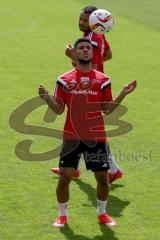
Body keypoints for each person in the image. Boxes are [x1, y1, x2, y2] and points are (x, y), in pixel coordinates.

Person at [39, 38, 137, 227]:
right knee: (65, 177)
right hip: (71, 136)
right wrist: (46, 99)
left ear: (93, 54)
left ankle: (102, 213)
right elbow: (58, 110)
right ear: (75, 54)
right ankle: (62, 215)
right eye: (81, 48)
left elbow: (107, 109)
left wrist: (123, 92)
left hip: (96, 136)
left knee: (102, 177)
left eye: (88, 48)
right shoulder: (64, 79)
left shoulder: (103, 80)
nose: (85, 50)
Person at [52, 6, 123, 183]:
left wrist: (73, 55)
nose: (81, 22)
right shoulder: (98, 36)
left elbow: (94, 67)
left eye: (85, 20)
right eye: (81, 19)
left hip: (91, 89)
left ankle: (113, 170)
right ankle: (75, 168)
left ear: (94, 22)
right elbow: (108, 54)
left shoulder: (92, 40)